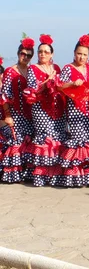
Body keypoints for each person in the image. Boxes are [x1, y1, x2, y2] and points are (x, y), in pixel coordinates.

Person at [56, 34, 89, 187]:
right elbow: (59, 85)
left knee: (87, 141)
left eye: (85, 54)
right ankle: (73, 176)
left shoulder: (88, 68)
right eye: (79, 53)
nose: (81, 57)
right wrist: (72, 83)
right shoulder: (68, 68)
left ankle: (85, 176)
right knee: (77, 142)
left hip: (88, 111)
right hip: (74, 111)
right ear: (74, 53)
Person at [26, 35, 67, 187]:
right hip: (41, 109)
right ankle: (41, 176)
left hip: (57, 109)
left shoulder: (56, 68)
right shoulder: (33, 69)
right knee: (45, 140)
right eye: (40, 51)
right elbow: (32, 89)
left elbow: (62, 86)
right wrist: (47, 81)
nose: (43, 54)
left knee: (56, 139)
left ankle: (54, 175)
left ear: (51, 54)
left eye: (46, 51)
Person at [1, 34, 35, 183]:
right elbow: (4, 95)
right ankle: (12, 174)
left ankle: (25, 174)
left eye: (28, 55)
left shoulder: (32, 71)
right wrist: (8, 115)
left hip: (29, 114)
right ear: (18, 53)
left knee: (27, 142)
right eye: (23, 54)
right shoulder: (10, 71)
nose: (25, 57)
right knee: (16, 142)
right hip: (15, 113)